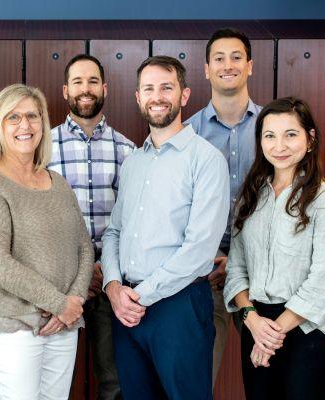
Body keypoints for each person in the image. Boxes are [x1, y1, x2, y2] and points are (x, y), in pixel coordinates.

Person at [102, 56, 230, 400]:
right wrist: (114, 287)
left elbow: (200, 249)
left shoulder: (206, 160)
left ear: (184, 95)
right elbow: (114, 231)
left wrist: (138, 297)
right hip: (126, 309)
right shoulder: (133, 162)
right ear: (137, 98)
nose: (157, 96)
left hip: (179, 307)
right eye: (149, 89)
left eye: (166, 88)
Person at [0, 83, 94, 400]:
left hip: (62, 324)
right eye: (14, 117)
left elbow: (84, 248)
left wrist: (71, 305)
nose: (25, 125)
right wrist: (59, 303)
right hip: (12, 327)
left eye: (33, 116)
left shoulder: (57, 182)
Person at [223, 97, 325, 400]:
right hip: (256, 325)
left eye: (290, 134)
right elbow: (237, 268)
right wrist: (253, 321)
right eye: (270, 135)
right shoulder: (251, 198)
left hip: (308, 331)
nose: (279, 145)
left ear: (310, 139)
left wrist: (273, 335)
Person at [48, 54, 135, 400]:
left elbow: (131, 223)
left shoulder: (128, 150)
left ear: (105, 88)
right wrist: (76, 275)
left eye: (93, 81)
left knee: (113, 381)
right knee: (54, 381)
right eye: (78, 82)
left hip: (109, 280)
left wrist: (105, 271)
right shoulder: (42, 149)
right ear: (66, 90)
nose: (86, 89)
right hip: (59, 283)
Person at [184, 27, 261, 386]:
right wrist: (210, 255)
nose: (227, 65)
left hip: (262, 274)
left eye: (236, 57)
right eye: (219, 58)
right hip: (206, 275)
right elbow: (178, 208)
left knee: (268, 379)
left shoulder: (272, 128)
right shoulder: (187, 133)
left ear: (250, 66)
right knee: (198, 379)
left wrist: (241, 260)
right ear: (205, 69)